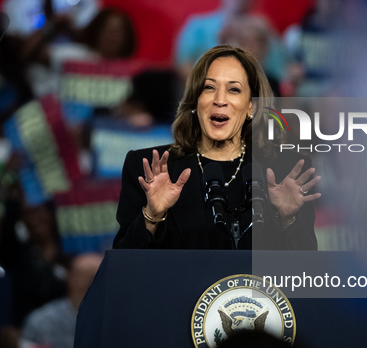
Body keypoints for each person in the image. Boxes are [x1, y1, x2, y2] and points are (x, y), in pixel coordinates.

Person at [113, 45, 320, 250]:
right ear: (195, 101)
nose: (220, 100)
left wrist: (288, 219)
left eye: (234, 90)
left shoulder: (286, 170)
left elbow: (306, 274)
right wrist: (152, 216)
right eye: (209, 88)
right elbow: (123, 268)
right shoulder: (148, 168)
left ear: (252, 106)